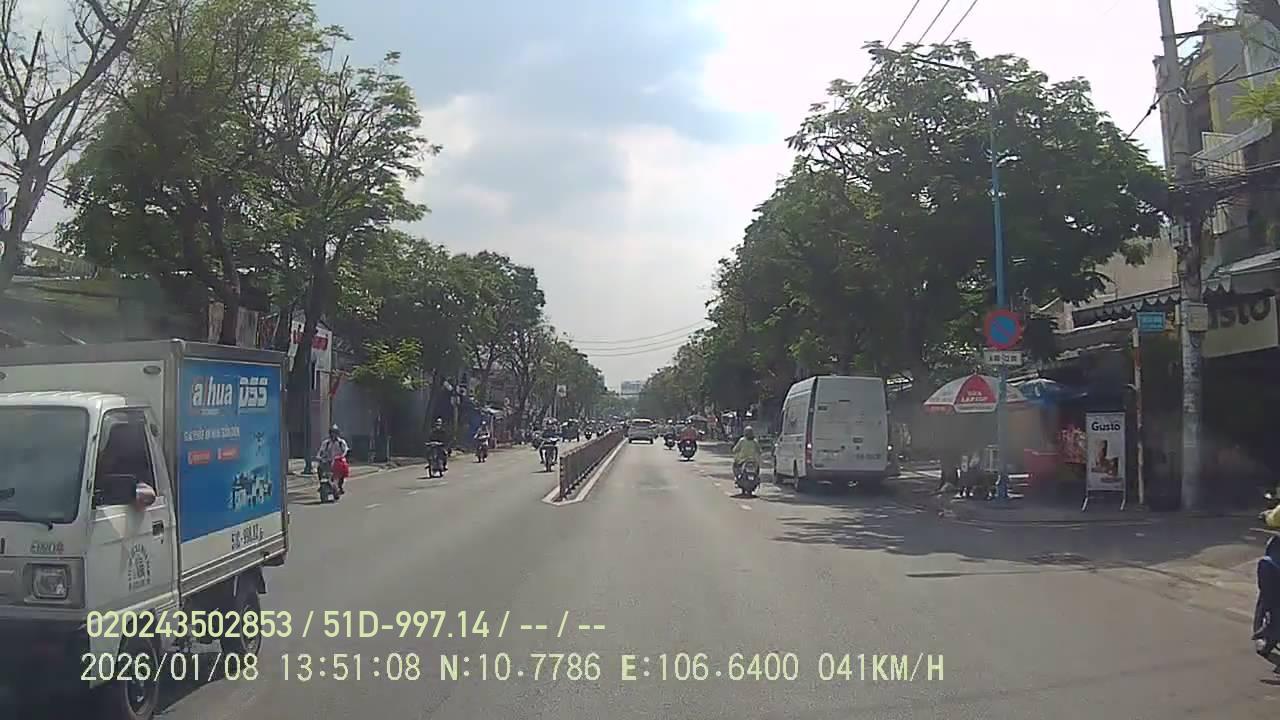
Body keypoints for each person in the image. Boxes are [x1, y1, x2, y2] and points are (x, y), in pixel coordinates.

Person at [317, 424, 351, 495]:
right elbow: (321, 451)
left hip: (338, 461)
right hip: (328, 461)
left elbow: (345, 450)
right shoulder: (326, 443)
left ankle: (339, 486)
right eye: (332, 433)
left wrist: (341, 456)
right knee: (320, 468)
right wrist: (319, 457)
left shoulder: (341, 442)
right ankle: (322, 484)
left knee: (342, 470)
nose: (333, 434)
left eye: (335, 433)